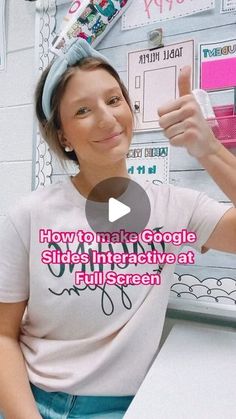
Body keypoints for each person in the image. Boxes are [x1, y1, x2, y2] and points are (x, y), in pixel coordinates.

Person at [0, 38, 235, 419]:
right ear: (62, 136)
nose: (107, 119)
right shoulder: (27, 216)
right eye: (82, 111)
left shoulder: (173, 208)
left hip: (117, 409)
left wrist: (209, 150)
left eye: (114, 101)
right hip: (27, 397)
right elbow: (2, 335)